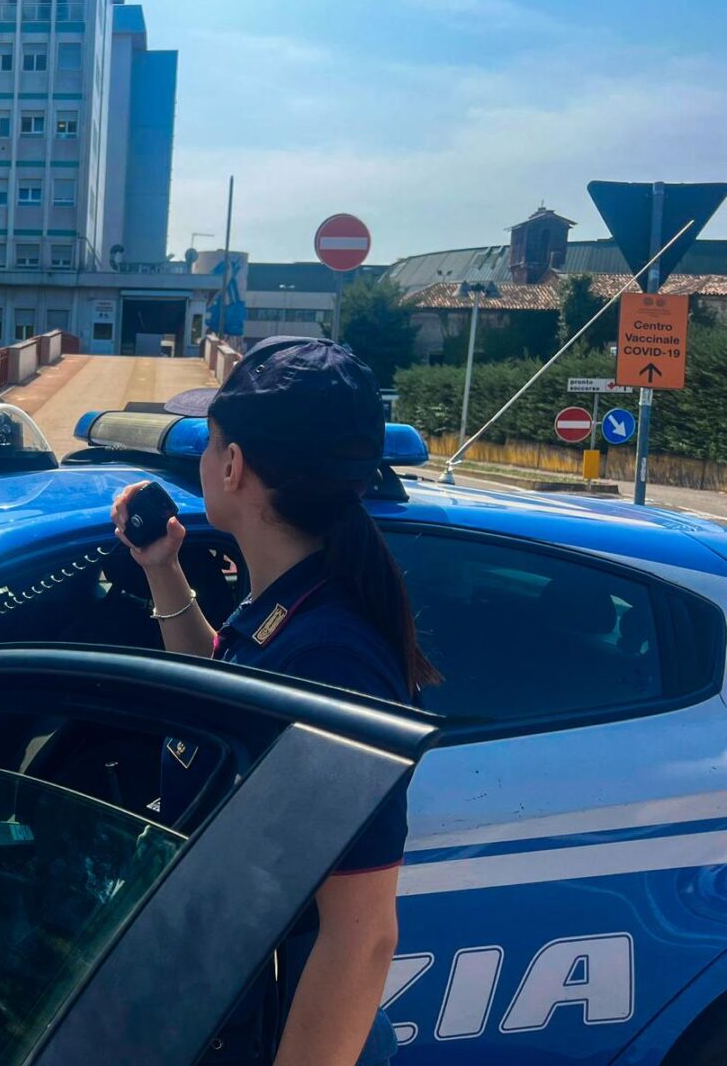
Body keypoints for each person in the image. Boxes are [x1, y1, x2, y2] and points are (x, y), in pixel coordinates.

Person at [111, 336, 439, 1066]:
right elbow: (224, 707)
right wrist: (164, 571)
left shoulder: (330, 655)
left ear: (232, 467)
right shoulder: (288, 605)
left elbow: (360, 935)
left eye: (212, 441)